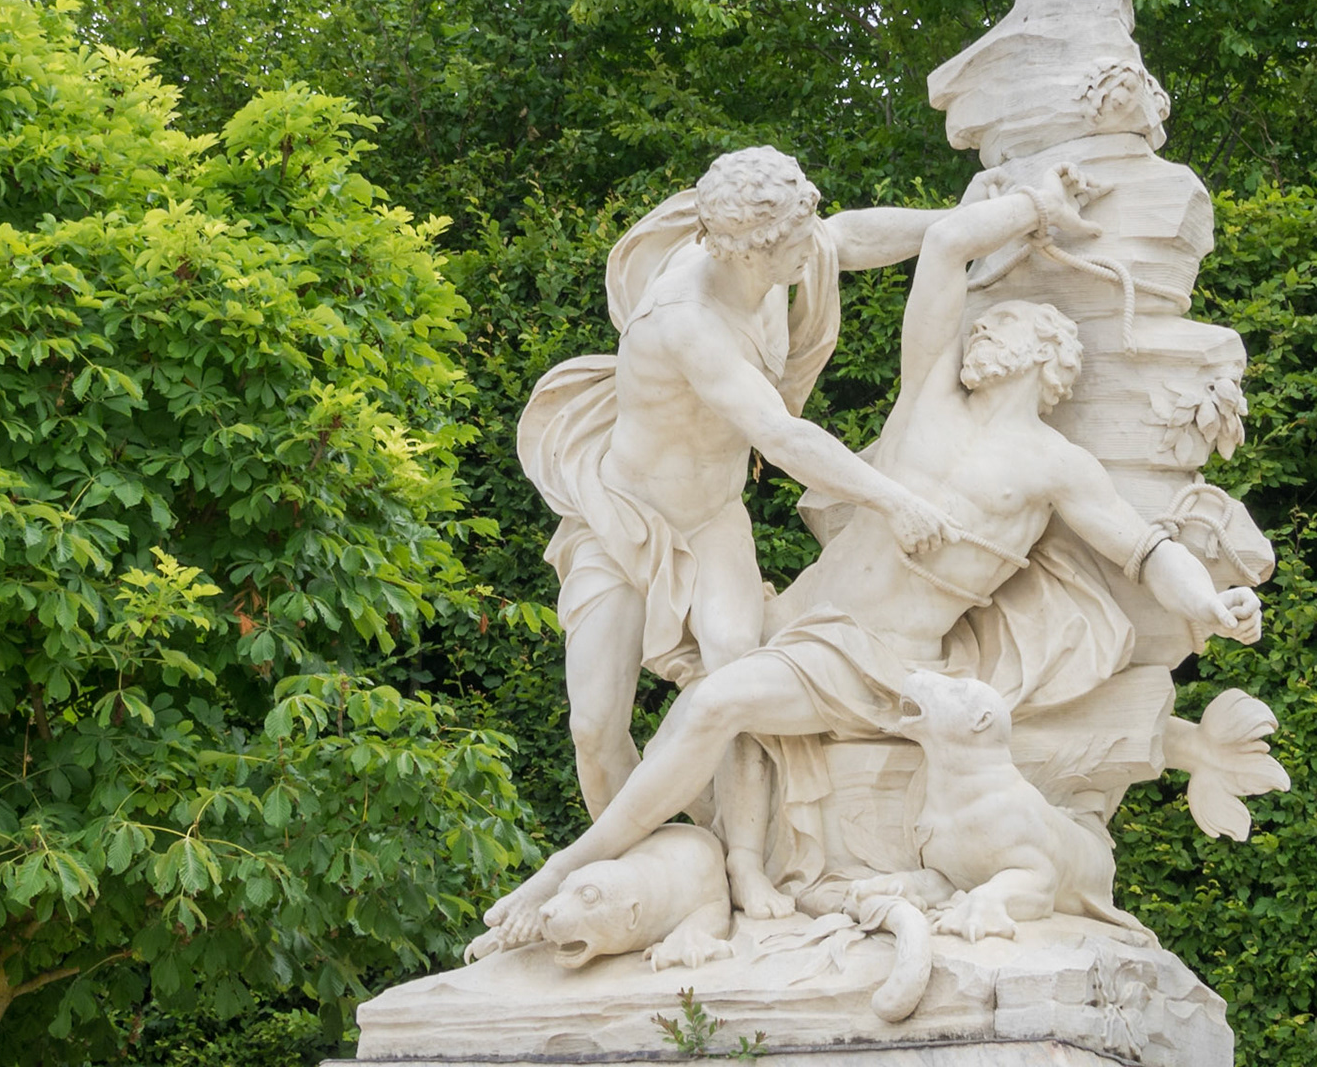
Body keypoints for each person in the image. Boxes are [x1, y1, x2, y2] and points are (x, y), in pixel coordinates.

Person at [477, 165, 1263, 953]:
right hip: (801, 613)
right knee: (673, 705)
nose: (981, 331)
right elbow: (944, 248)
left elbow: (1143, 548)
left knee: (716, 697)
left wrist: (1207, 603)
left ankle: (612, 871)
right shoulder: (923, 397)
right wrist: (1029, 207)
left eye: (1004, 324)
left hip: (889, 659)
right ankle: (676, 874)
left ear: (1048, 355)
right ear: (747, 249)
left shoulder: (1058, 466)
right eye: (983, 324)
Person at [517, 146, 959, 916]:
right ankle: (646, 880)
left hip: (712, 516)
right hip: (622, 520)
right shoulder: (684, 319)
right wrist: (892, 500)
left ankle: (747, 864)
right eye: (796, 240)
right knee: (594, 726)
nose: (811, 249)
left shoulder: (772, 261)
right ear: (750, 250)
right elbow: (781, 437)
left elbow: (846, 238)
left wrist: (956, 224)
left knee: (737, 671)